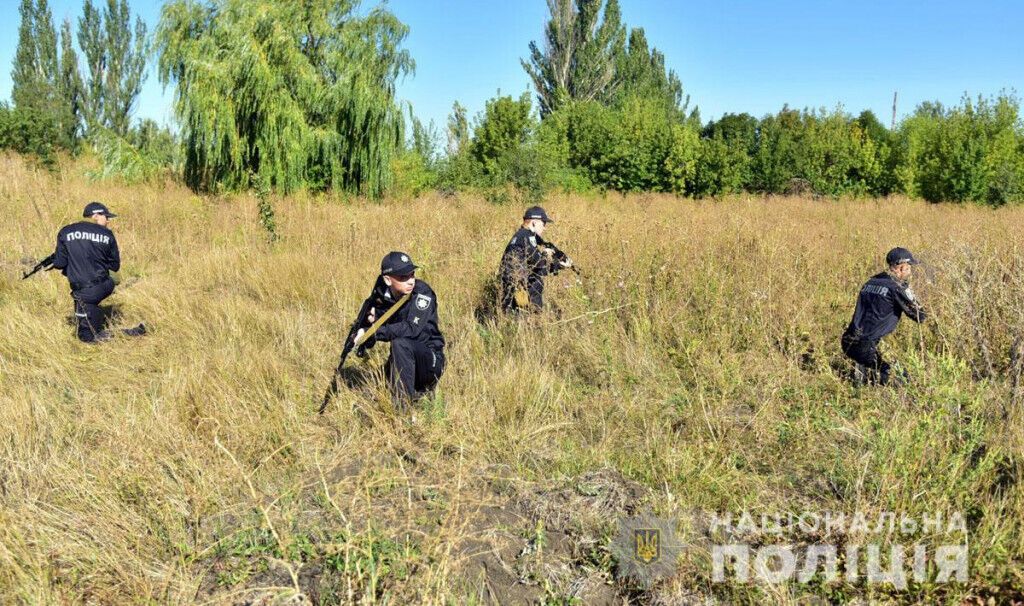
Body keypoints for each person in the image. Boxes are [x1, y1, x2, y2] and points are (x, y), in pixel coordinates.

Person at [355, 251, 445, 406]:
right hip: (402, 361)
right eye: (403, 277)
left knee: (400, 343)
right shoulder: (383, 296)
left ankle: (403, 410)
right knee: (372, 388)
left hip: (430, 360)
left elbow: (412, 328)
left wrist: (374, 332)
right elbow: (374, 324)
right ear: (387, 280)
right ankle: (407, 392)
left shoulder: (422, 293)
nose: (410, 281)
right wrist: (365, 332)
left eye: (412, 275)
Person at [52, 201, 145, 343]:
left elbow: (59, 264)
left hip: (83, 291)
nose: (108, 220)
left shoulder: (65, 231)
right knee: (87, 324)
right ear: (96, 215)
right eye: (106, 217)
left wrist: (74, 265)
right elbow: (114, 266)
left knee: (87, 339)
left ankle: (133, 333)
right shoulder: (107, 235)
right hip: (103, 286)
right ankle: (94, 315)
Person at [841, 247, 928, 385]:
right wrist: (909, 292)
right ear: (900, 268)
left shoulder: (870, 282)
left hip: (848, 341)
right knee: (901, 379)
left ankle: (862, 375)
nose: (910, 272)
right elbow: (920, 316)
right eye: (909, 267)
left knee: (873, 372)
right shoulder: (896, 287)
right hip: (868, 345)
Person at [498, 206, 573, 312]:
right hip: (517, 286)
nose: (545, 227)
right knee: (536, 283)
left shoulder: (523, 234)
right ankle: (535, 319)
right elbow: (540, 265)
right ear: (534, 223)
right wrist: (558, 264)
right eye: (543, 224)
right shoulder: (526, 237)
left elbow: (535, 265)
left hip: (511, 284)